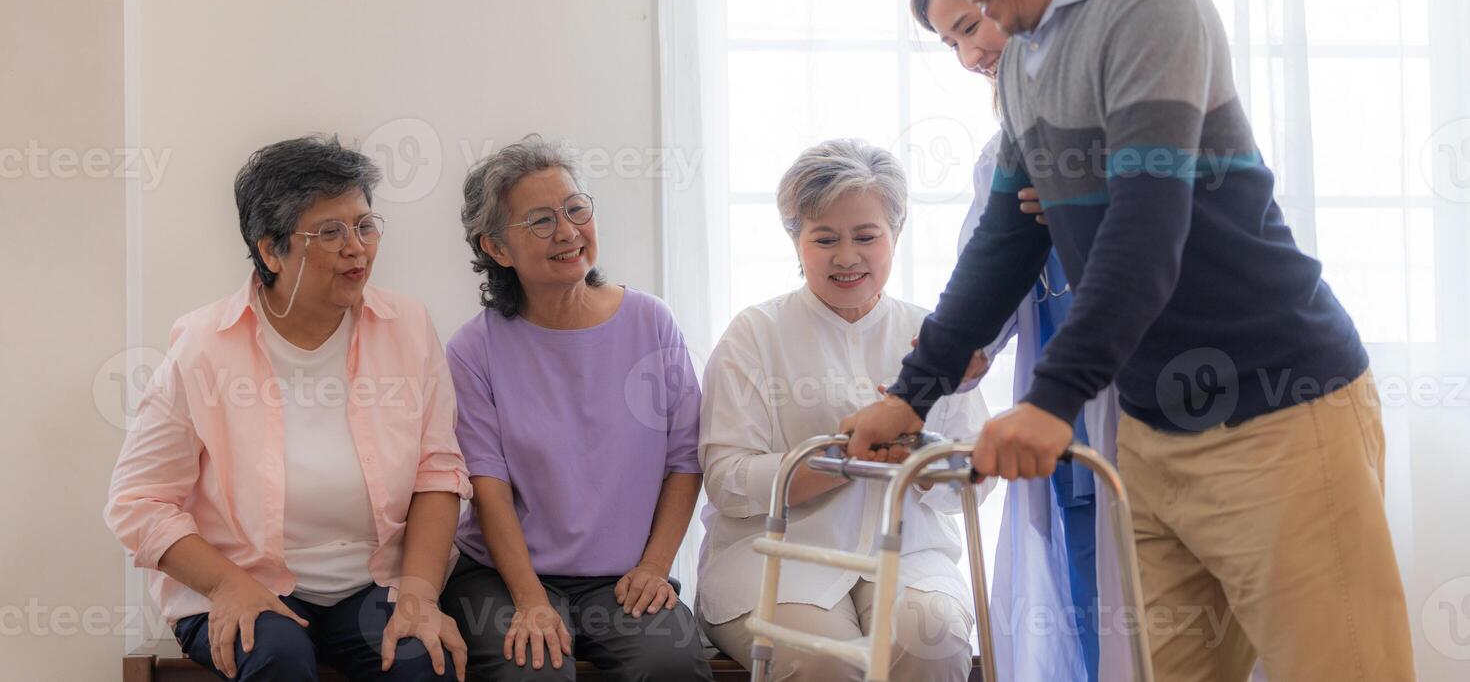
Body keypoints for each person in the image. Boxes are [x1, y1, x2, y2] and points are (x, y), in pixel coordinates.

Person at [843, 0, 1415, 681]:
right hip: (1155, 435)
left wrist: (1053, 398)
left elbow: (1149, 228)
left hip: (1281, 417)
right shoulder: (1029, 57)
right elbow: (1006, 238)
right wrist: (913, 390)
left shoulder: (1145, 0)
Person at [105, 135, 471, 682]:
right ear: (271, 250)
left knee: (423, 660)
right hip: (244, 581)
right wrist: (227, 584)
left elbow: (437, 470)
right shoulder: (204, 346)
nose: (357, 248)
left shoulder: (407, 327)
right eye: (330, 232)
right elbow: (137, 502)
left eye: (365, 226)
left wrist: (419, 591)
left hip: (372, 585)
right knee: (277, 658)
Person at [698, 139, 991, 682]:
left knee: (933, 636)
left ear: (895, 236)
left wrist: (916, 461)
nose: (847, 257)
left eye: (866, 236)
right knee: (824, 661)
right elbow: (727, 481)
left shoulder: (937, 337)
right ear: (795, 241)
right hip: (777, 556)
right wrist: (839, 458)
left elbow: (973, 480)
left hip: (910, 553)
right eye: (825, 239)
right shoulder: (755, 335)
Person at [911, 0, 1121, 681]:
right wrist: (946, 364)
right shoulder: (1000, 159)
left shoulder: (1118, 119)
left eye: (972, 26)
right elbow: (984, 282)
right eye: (952, 44)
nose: (971, 55)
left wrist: (1080, 204)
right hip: (1059, 423)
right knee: (1084, 597)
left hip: (1136, 399)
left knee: (1167, 611)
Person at [439, 136, 712, 682]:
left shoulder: (650, 322)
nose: (567, 232)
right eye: (539, 221)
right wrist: (530, 599)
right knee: (532, 669)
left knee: (673, 665)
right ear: (495, 248)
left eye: (576, 209)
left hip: (622, 575)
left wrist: (656, 567)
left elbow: (685, 459)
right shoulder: (474, 349)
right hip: (501, 574)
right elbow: (487, 488)